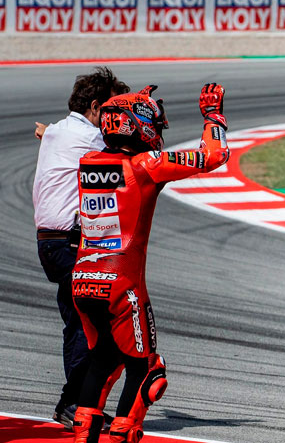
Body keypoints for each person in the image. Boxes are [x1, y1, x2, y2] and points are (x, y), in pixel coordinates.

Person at [71, 83, 230, 443]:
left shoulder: (88, 163)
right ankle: (122, 436)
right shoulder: (145, 166)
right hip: (121, 285)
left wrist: (133, 105)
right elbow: (214, 155)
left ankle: (83, 438)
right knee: (146, 371)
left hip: (82, 280)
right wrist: (213, 116)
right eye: (155, 125)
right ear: (138, 126)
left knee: (103, 361)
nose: (158, 133)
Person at [33, 67, 130, 428]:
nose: (116, 120)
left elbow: (51, 135)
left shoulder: (58, 130)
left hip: (50, 242)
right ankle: (73, 403)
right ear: (95, 107)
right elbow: (129, 161)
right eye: (112, 111)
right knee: (94, 326)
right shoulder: (91, 138)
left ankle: (77, 402)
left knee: (78, 321)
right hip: (70, 243)